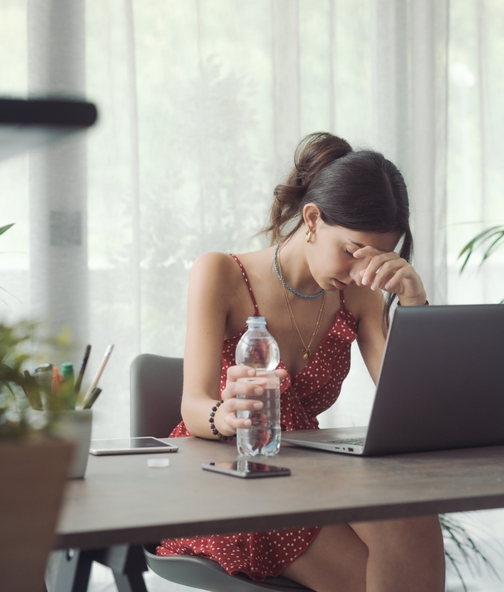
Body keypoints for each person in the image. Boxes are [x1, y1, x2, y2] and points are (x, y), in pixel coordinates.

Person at [155, 132, 444, 592]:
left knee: (411, 516)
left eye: (375, 257)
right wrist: (226, 415)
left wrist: (414, 304)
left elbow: (413, 408)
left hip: (308, 470)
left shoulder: (361, 292)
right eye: (351, 251)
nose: (358, 270)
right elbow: (193, 405)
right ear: (312, 219)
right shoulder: (221, 273)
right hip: (231, 471)